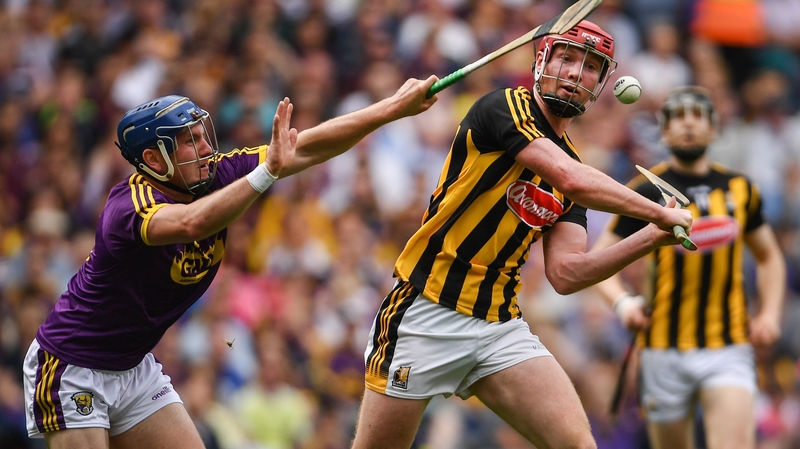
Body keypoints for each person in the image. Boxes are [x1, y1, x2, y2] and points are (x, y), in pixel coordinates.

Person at [22, 75, 439, 449]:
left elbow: (308, 147)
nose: (206, 148)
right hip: (73, 365)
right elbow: (191, 223)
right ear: (153, 161)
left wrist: (392, 108)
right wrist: (266, 174)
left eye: (203, 134)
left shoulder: (217, 174)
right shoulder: (128, 207)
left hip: (133, 367)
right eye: (190, 141)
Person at [350, 20, 694, 449]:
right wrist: (656, 210)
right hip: (425, 315)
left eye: (589, 67)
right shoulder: (504, 107)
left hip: (499, 328)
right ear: (542, 61)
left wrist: (650, 236)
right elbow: (569, 179)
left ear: (600, 83)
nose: (574, 73)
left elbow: (567, 274)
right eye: (566, 58)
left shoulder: (577, 168)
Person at [591, 86, 786, 449]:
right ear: (664, 132)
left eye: (698, 116)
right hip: (662, 348)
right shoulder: (645, 192)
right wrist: (623, 304)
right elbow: (600, 258)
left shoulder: (740, 189)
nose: (688, 125)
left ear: (713, 129)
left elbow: (769, 256)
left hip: (727, 346)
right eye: (678, 118)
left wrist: (771, 314)